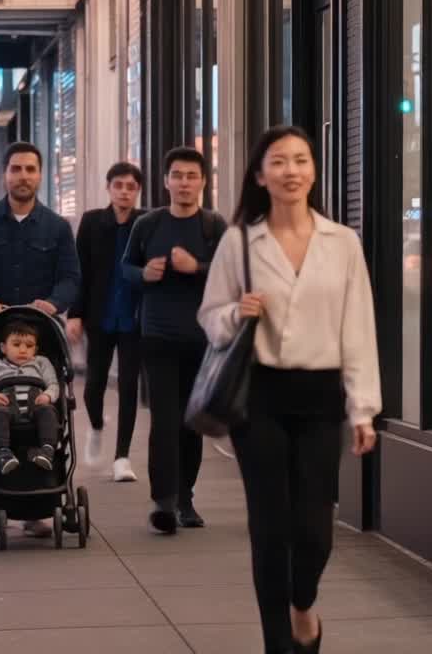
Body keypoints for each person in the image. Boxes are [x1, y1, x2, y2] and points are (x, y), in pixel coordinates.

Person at [199, 126, 379, 654]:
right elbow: (209, 317)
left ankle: (303, 605)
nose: (291, 171)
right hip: (260, 397)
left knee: (314, 531)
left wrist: (363, 409)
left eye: (301, 160)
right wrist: (237, 313)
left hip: (321, 398)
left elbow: (358, 328)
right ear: (260, 175)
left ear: (314, 171)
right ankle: (277, 642)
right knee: (270, 527)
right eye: (278, 161)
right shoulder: (239, 241)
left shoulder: (342, 243)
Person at [0, 141, 80, 538]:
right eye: (16, 169)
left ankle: (39, 503)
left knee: (44, 414)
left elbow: (71, 278)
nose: (23, 176)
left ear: (41, 175)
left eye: (30, 169)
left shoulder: (57, 228)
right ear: (4, 174)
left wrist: (54, 303)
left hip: (42, 340)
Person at [122, 146, 227, 534]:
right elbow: (125, 268)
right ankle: (163, 502)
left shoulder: (214, 225)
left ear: (203, 182)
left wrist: (196, 267)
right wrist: (143, 274)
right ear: (166, 181)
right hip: (157, 336)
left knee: (190, 423)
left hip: (202, 339)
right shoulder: (147, 225)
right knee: (164, 421)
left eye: (191, 176)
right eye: (177, 176)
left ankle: (185, 498)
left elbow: (230, 274)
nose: (184, 183)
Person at [67, 162, 146, 482]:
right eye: (119, 186)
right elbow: (80, 270)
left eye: (131, 187)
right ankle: (97, 426)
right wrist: (75, 314)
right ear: (108, 188)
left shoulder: (146, 222)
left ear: (138, 191)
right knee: (93, 386)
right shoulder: (91, 222)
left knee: (129, 386)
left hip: (134, 317)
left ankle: (122, 457)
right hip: (100, 315)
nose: (124, 192)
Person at [0, 321, 63, 473]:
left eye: (29, 346)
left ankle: (47, 450)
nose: (23, 350)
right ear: (3, 347)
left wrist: (48, 395)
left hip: (37, 406)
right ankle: (3, 453)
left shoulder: (41, 362)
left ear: (35, 349)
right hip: (7, 407)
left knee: (48, 411)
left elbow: (53, 384)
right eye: (16, 345)